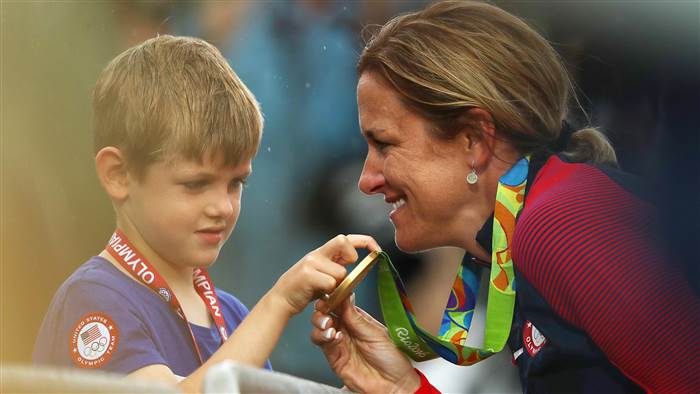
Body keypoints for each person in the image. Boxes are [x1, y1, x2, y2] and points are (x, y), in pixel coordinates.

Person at [310, 1, 700, 393]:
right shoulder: (526, 230)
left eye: (384, 144)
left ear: (474, 140)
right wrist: (403, 388)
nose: (366, 180)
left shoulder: (558, 224)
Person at [32, 35, 380, 393]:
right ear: (118, 175)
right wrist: (279, 302)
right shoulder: (94, 297)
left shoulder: (233, 315)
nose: (222, 207)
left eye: (236, 183)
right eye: (196, 184)